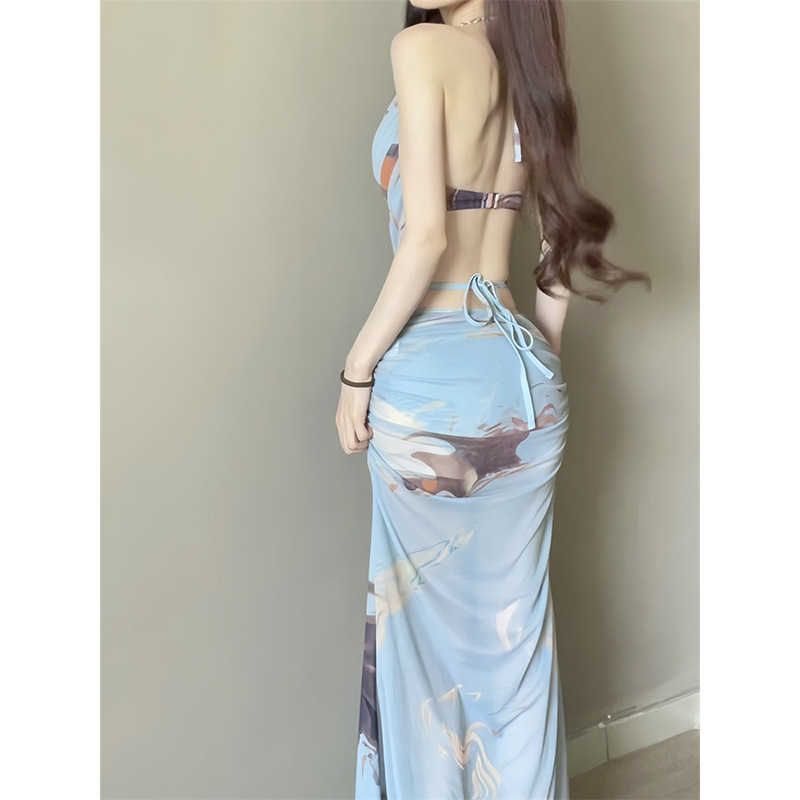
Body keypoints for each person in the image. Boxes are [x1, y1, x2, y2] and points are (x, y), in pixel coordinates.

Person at [337, 2, 650, 797]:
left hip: (432, 386)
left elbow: (427, 237)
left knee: (420, 657)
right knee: (518, 653)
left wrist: (357, 369)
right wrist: (537, 375)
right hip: (524, 383)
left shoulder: (423, 46)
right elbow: (559, 244)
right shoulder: (533, 69)